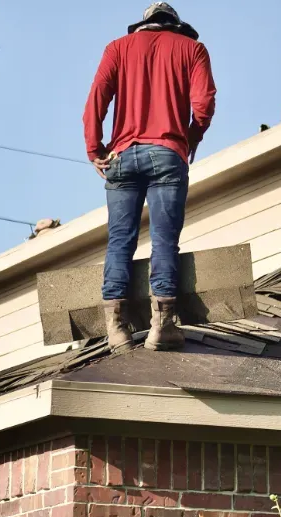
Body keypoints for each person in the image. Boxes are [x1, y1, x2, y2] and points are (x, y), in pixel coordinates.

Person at [83, 2, 216, 353]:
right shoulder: (192, 49)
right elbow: (204, 104)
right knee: (164, 240)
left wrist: (94, 149)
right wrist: (188, 139)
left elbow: (96, 98)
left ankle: (116, 330)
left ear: (143, 25)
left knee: (119, 241)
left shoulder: (117, 48)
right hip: (167, 153)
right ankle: (162, 326)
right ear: (175, 25)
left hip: (121, 156)